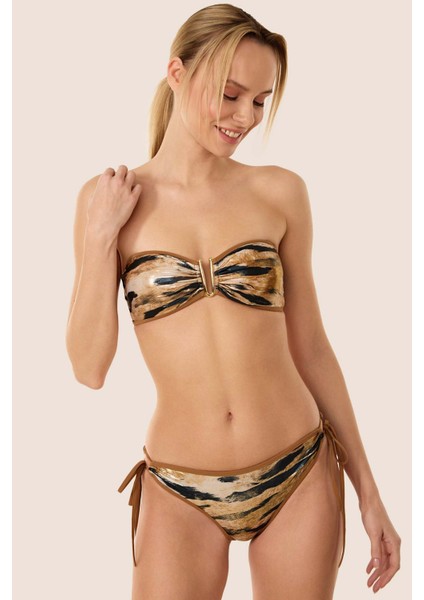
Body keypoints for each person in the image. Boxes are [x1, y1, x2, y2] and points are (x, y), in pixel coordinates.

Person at [66, 4, 401, 599]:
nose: (245, 116)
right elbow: (89, 369)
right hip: (179, 486)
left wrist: (369, 492)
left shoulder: (279, 192)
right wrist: (100, 238)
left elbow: (313, 348)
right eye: (230, 94)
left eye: (260, 101)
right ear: (176, 73)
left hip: (298, 471)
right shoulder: (108, 200)